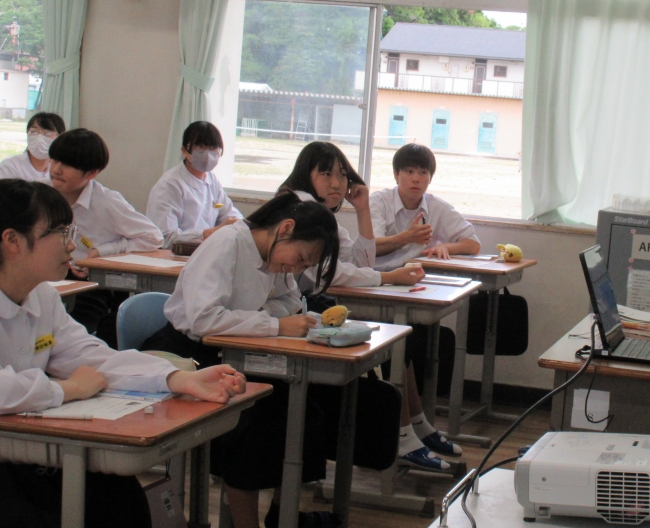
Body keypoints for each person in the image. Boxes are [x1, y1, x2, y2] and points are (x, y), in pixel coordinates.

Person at [0, 178, 246, 528]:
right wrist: (66, 389)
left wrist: (177, 380)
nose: (71, 245)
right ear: (12, 241)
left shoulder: (41, 298)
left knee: (122, 504)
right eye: (59, 233)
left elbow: (96, 358)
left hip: (29, 450)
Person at [141, 192, 343, 528]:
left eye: (305, 265)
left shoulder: (274, 257)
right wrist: (273, 324)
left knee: (307, 406)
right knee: (253, 421)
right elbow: (203, 320)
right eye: (301, 258)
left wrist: (271, 318)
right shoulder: (227, 245)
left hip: (236, 352)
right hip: (188, 355)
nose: (296, 267)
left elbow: (291, 303)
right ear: (285, 228)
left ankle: (284, 515)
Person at [370, 143, 481, 472]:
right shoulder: (378, 202)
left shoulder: (435, 206)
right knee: (403, 348)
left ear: (430, 178)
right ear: (396, 175)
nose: (416, 179)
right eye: (409, 171)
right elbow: (369, 249)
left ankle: (417, 426)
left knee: (415, 346)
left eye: (423, 172)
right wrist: (407, 237)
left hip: (412, 289)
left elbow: (473, 242)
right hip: (376, 287)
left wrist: (445, 246)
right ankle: (407, 432)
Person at [48, 128, 163, 343]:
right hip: (46, 278)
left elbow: (153, 237)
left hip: (89, 285)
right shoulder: (40, 194)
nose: (56, 169)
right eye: (54, 160)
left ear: (91, 173)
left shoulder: (106, 202)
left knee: (70, 335)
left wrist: (101, 252)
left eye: (67, 165)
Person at [276, 141, 425, 290]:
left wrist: (363, 209)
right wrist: (389, 277)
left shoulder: (325, 216)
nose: (336, 184)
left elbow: (362, 265)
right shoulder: (301, 206)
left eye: (342, 175)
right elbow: (326, 272)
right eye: (326, 174)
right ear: (306, 174)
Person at [146, 121, 242, 249]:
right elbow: (165, 238)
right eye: (200, 147)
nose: (208, 155)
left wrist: (239, 224)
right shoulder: (169, 185)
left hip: (204, 252)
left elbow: (222, 208)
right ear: (185, 151)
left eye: (213, 148)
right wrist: (208, 233)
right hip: (173, 255)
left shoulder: (212, 181)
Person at [0, 111, 66, 183]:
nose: (39, 137)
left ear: (60, 137)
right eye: (34, 131)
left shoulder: (60, 169)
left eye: (47, 133)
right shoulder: (10, 165)